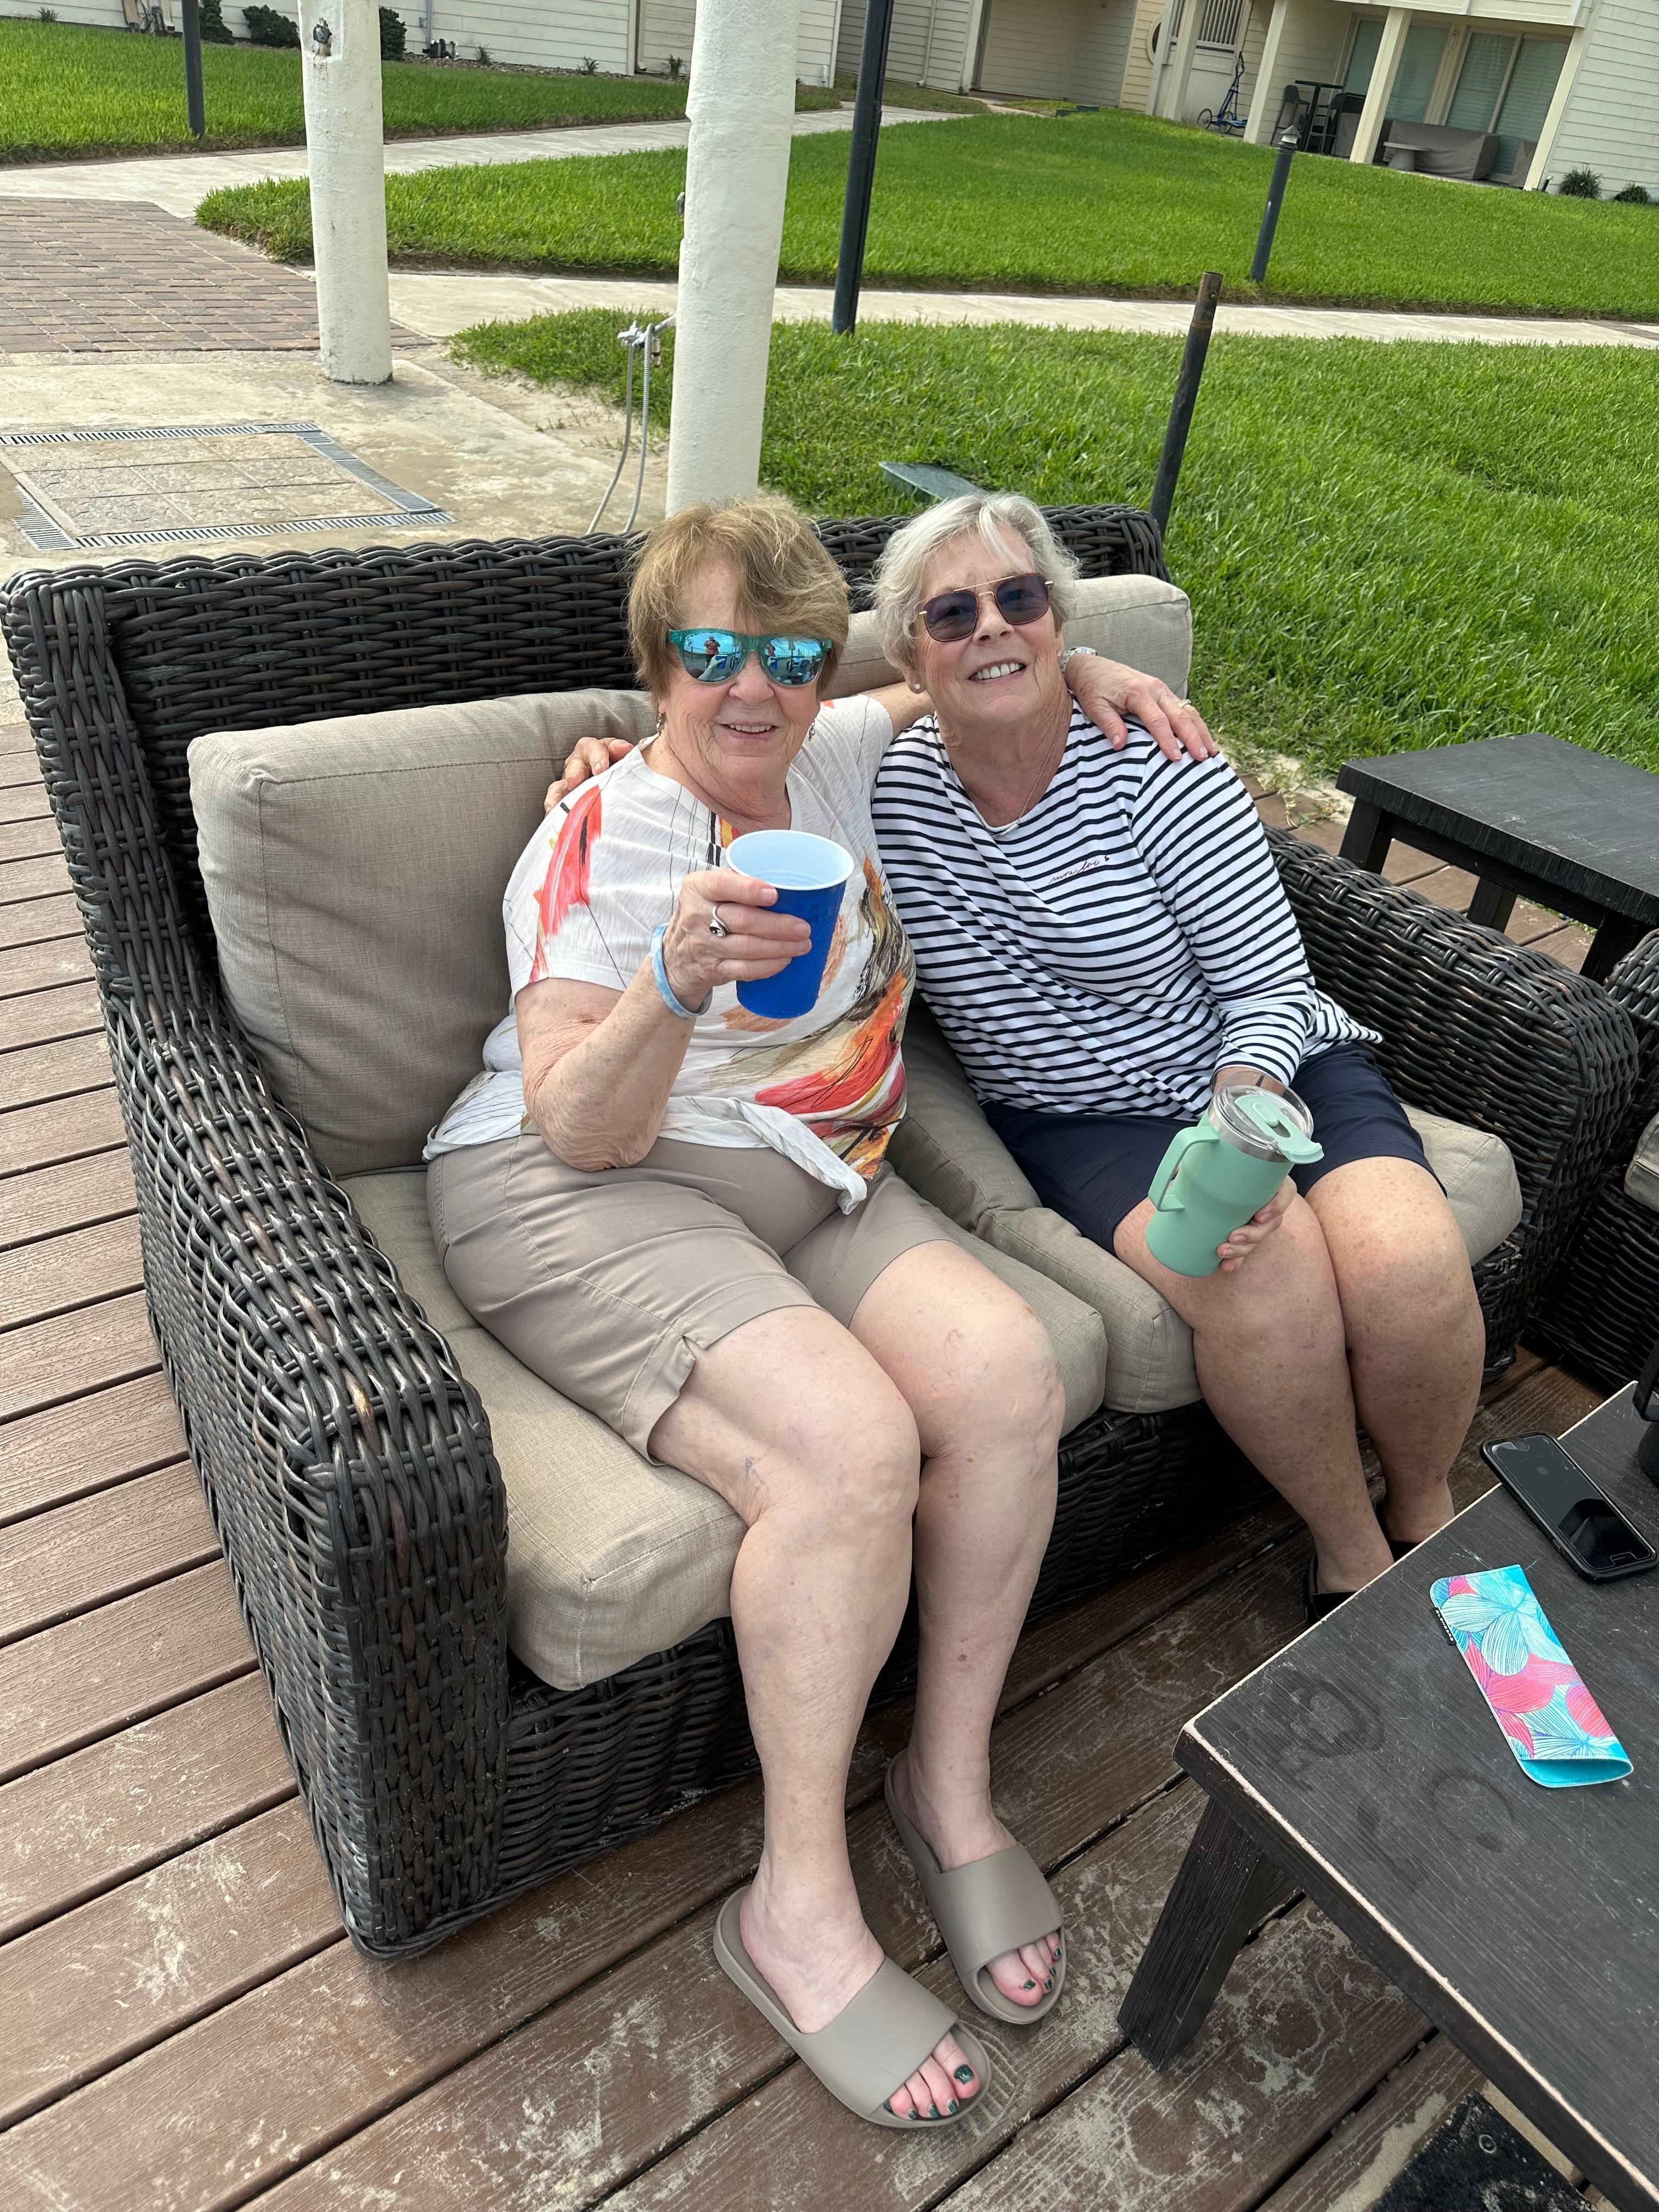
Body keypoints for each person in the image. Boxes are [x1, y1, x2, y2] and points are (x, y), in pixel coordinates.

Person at [427, 498, 1208, 2133]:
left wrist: (1109, 667)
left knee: (1001, 1377)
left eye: (788, 654)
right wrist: (674, 980)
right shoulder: (595, 842)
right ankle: (791, 1903)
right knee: (847, 1450)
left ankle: (944, 1781)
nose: (754, 692)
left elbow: (971, 675)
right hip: (579, 1186)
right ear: (659, 669)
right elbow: (579, 1122)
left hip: (799, 1156)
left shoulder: (841, 747)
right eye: (711, 655)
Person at [554, 493, 1486, 1624]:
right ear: (912, 655)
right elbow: (745, 725)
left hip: (1266, 1064)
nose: (990, 627)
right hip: (1085, 1115)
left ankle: (1429, 1514)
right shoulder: (881, 786)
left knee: (1406, 1264)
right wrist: (620, 758)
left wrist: (1240, 1124)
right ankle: (1353, 1560)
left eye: (1021, 600)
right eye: (953, 614)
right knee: (1260, 1277)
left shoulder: (1159, 759)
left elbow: (1266, 988)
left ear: (1058, 618)